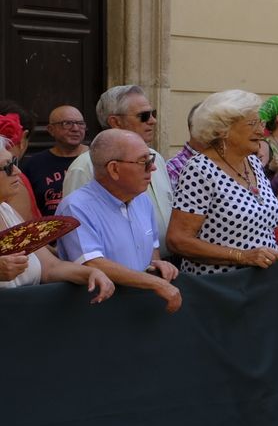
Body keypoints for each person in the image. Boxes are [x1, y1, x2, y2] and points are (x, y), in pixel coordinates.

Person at [167, 90, 278, 275]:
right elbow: (178, 240)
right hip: (220, 286)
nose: (261, 130)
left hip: (259, 283)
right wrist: (242, 256)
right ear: (223, 129)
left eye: (260, 122)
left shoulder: (252, 162)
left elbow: (260, 223)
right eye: (253, 123)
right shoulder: (199, 169)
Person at [56, 130, 183, 312]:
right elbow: (93, 264)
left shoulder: (142, 199)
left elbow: (151, 251)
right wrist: (156, 283)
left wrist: (157, 265)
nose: (153, 168)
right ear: (114, 169)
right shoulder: (75, 207)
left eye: (151, 159)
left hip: (140, 311)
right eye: (144, 162)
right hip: (99, 314)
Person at [63, 86, 174, 254]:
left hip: (161, 263)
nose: (152, 121)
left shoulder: (156, 158)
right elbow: (77, 232)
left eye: (153, 114)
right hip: (114, 271)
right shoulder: (85, 166)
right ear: (115, 122)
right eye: (143, 116)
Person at [0, 137, 114, 300]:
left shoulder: (5, 210)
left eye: (15, 162)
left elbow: (51, 267)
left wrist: (92, 272)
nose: (18, 171)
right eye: (8, 167)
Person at [21, 104, 88, 215]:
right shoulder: (34, 164)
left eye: (80, 124)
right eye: (67, 123)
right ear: (51, 129)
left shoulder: (96, 160)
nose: (76, 129)